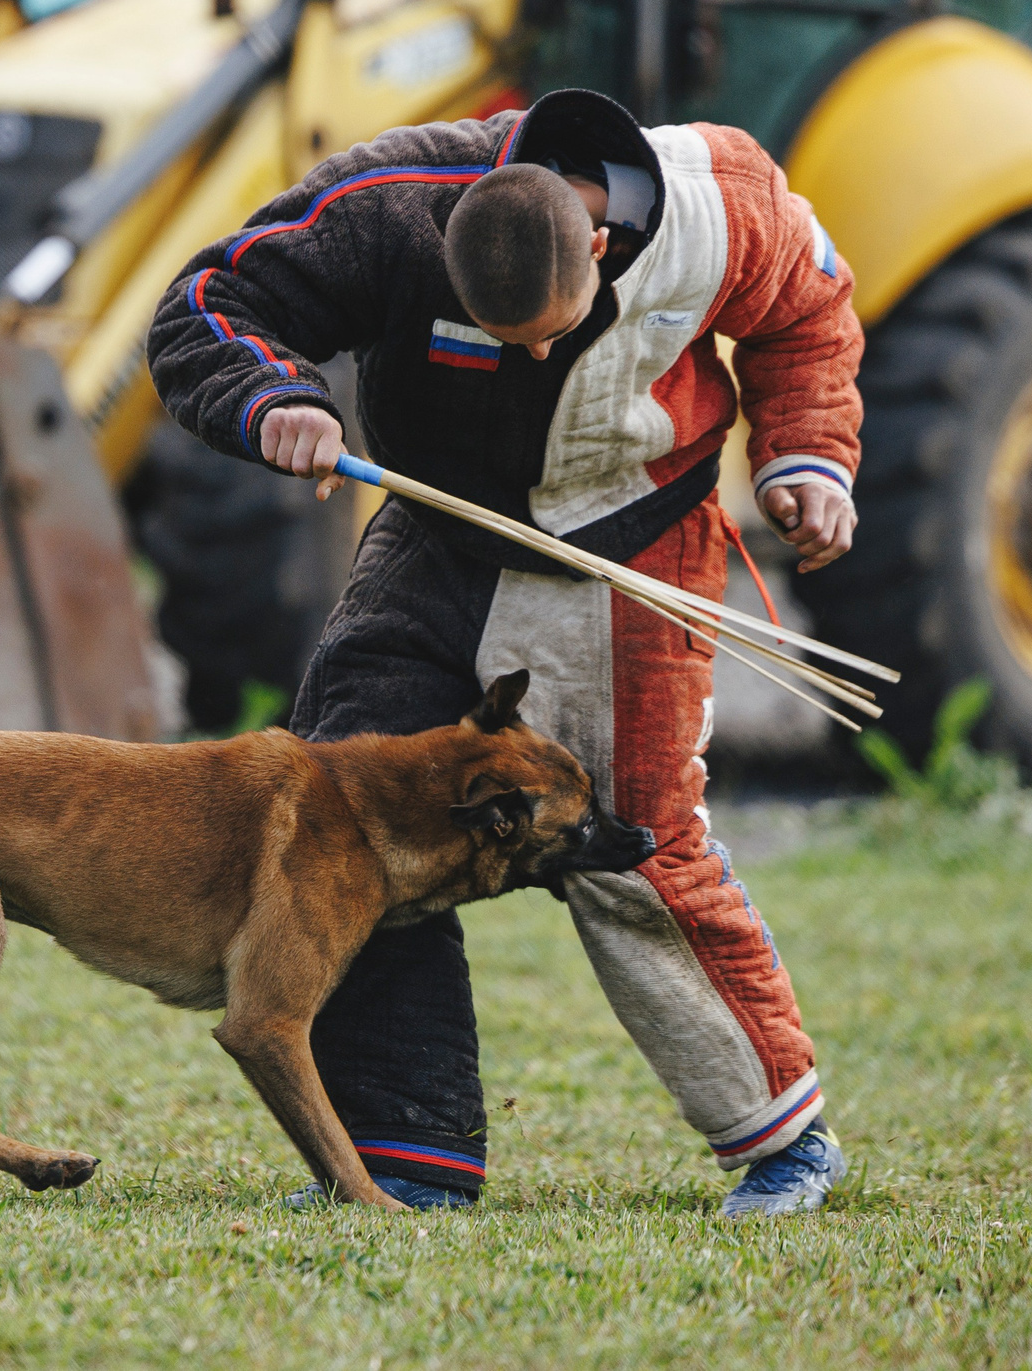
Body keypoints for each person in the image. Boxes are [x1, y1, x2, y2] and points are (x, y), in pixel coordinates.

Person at [146, 87, 863, 1219]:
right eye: (500, 333)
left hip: (641, 544)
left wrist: (808, 460)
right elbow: (203, 305)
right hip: (442, 535)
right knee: (343, 812)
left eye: (548, 329)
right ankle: (406, 1155)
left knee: (633, 848)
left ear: (601, 238)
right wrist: (270, 396)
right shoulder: (388, 205)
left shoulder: (724, 204)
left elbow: (813, 315)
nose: (529, 352)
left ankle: (781, 1141)